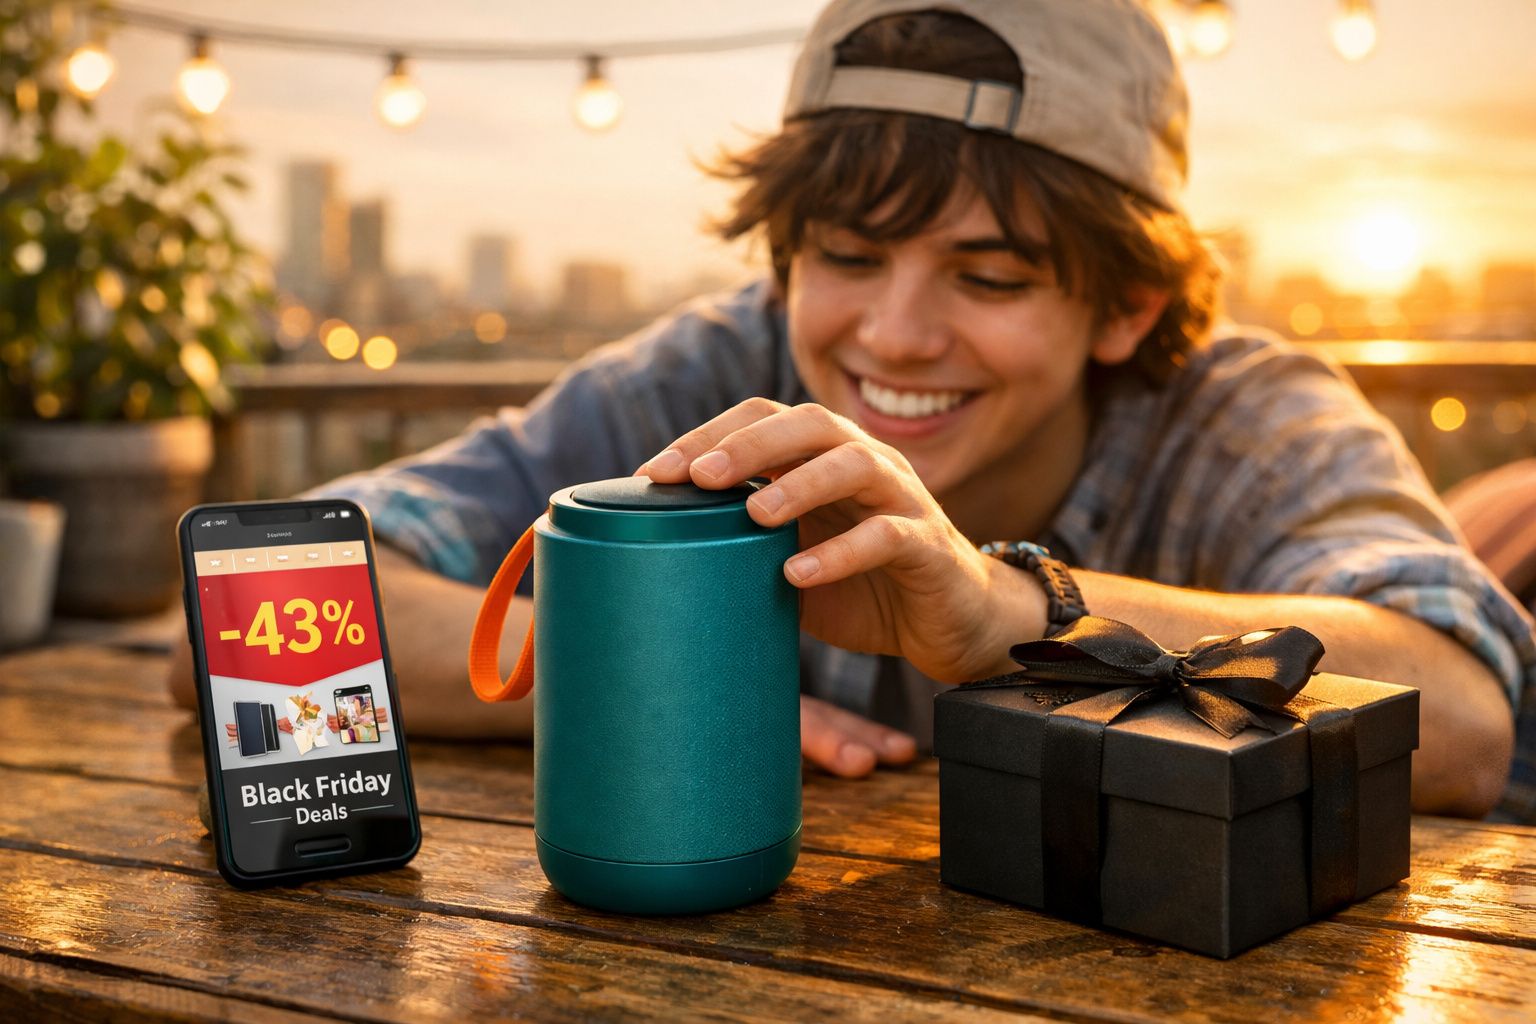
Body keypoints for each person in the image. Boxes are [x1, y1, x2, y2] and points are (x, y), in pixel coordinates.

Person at [168, 0, 1533, 821]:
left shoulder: (1245, 413)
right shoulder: (711, 374)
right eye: (847, 255)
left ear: (1125, 305)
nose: (890, 335)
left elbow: (1463, 714)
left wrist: (1010, 616)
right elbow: (235, 619)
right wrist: (650, 682)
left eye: (987, 275)